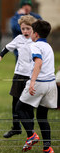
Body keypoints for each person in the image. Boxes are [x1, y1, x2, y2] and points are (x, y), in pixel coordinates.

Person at [0, 15, 37, 138]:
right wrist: (0, 56)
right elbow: (7, 47)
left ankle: (31, 131)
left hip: (31, 77)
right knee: (15, 102)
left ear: (33, 29)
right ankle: (16, 127)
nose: (25, 31)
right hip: (18, 75)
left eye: (28, 28)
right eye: (23, 29)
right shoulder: (18, 38)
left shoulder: (37, 41)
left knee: (28, 105)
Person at [16, 20, 56, 153]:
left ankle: (31, 135)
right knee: (42, 116)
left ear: (36, 34)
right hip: (51, 84)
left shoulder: (36, 46)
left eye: (31, 31)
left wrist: (32, 82)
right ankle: (47, 148)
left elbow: (38, 63)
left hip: (40, 82)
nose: (30, 34)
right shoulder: (49, 46)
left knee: (19, 108)